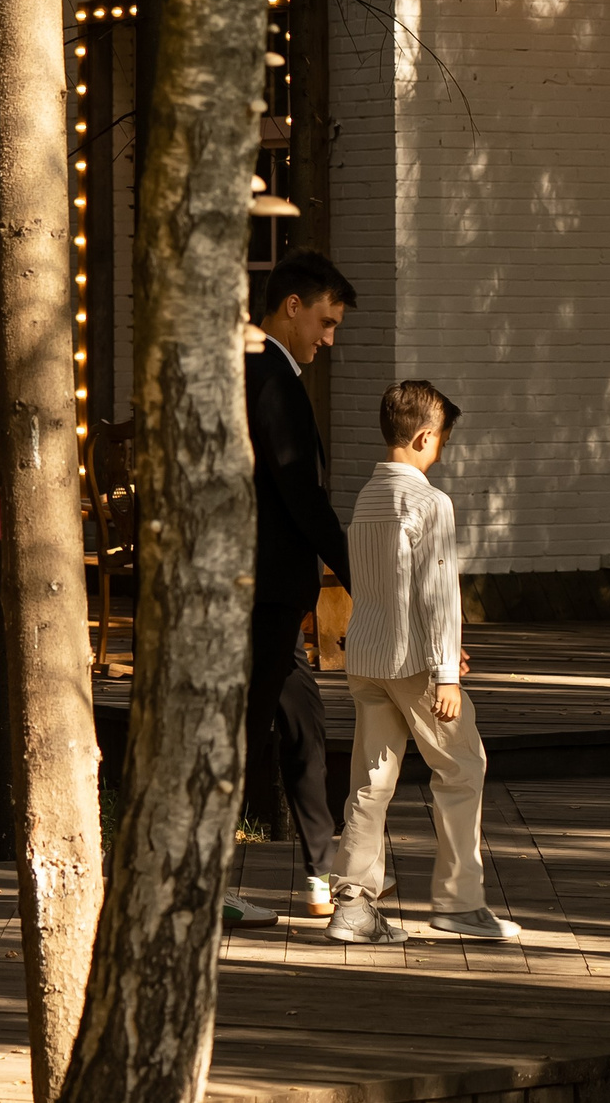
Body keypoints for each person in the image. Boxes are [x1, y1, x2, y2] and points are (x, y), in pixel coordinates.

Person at [326, 381, 519, 946]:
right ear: (423, 437)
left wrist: (443, 647)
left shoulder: (367, 495)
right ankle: (460, 902)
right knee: (462, 767)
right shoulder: (429, 502)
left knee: (371, 782)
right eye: (441, 442)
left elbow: (386, 586)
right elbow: (437, 593)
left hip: (367, 655)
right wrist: (447, 672)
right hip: (414, 664)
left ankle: (352, 906)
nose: (440, 452)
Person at [239, 248, 360, 926]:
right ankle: (209, 884)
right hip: (262, 589)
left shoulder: (262, 371)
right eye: (325, 321)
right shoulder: (268, 375)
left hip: (277, 593)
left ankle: (321, 873)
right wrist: (357, 573)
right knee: (245, 732)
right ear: (292, 307)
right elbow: (299, 493)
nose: (329, 339)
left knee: (304, 728)